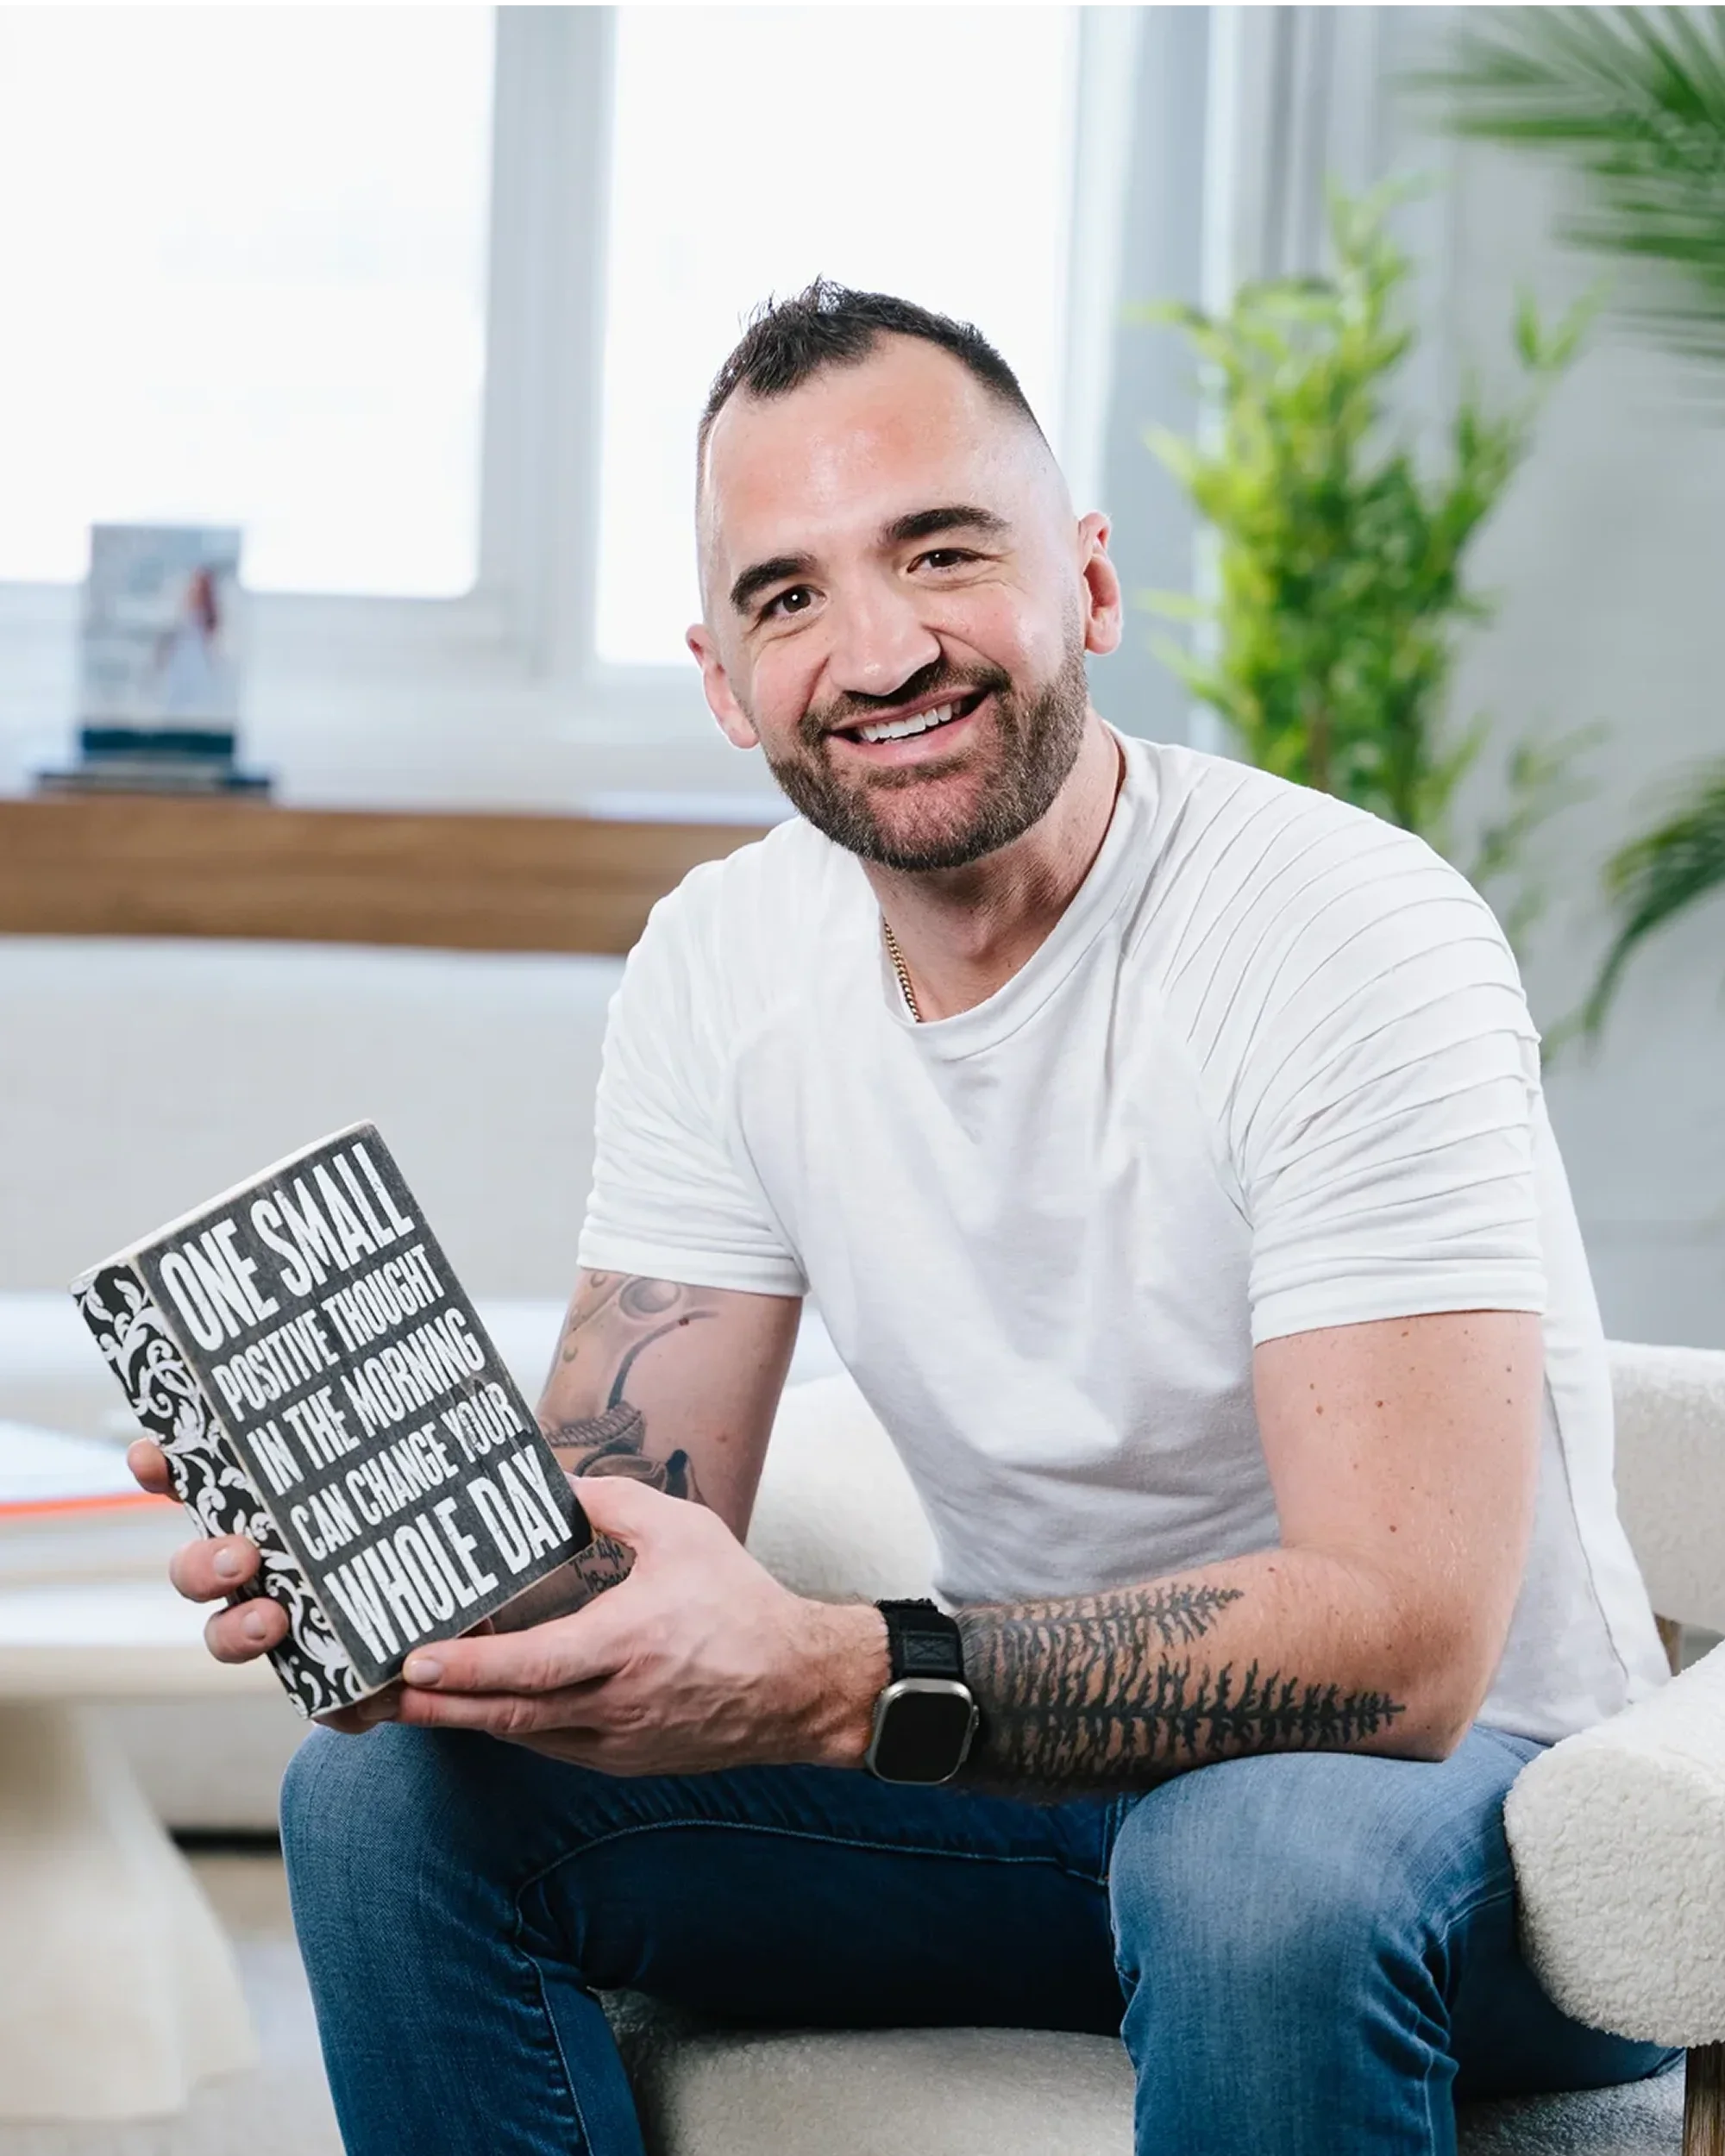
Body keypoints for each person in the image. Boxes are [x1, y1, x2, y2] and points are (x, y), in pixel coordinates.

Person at [134, 282, 1678, 2156]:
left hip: (1453, 1814)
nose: (877, 651)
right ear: (722, 681)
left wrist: (840, 1667)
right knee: (384, 1803)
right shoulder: (724, 960)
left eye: (940, 552)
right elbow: (634, 1509)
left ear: (1089, 586)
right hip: (1025, 1792)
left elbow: (1404, 1644)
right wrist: (426, 1588)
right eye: (787, 596)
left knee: (1241, 1855)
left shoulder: (1345, 932)